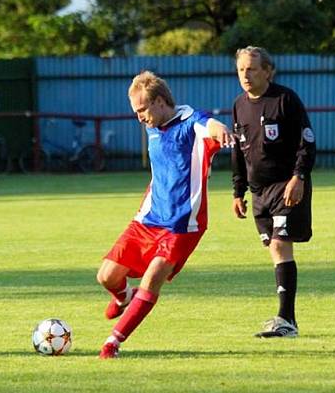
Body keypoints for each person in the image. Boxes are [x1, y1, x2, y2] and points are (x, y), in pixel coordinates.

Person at [96, 71, 233, 359]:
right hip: (148, 218)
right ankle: (124, 298)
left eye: (142, 109)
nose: (139, 117)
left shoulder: (191, 123)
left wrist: (219, 129)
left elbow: (208, 125)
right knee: (106, 276)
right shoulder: (152, 126)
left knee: (152, 277)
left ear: (160, 102)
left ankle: (113, 342)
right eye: (135, 111)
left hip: (183, 225)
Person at [231, 46, 316, 338]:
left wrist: (299, 177)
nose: (246, 74)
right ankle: (286, 319)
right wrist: (237, 191)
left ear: (268, 71)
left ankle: (286, 319)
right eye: (241, 69)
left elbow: (307, 143)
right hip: (259, 193)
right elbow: (240, 152)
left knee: (280, 245)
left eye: (252, 69)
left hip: (286, 186)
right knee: (274, 250)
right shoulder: (239, 105)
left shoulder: (285, 99)